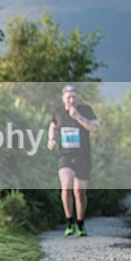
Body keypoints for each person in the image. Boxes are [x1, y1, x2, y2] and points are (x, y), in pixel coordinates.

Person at [47, 85, 100, 237]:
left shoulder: (86, 110)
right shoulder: (58, 112)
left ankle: (80, 222)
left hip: (83, 157)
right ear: (63, 98)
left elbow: (96, 128)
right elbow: (52, 126)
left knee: (80, 193)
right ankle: (69, 221)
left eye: (74, 96)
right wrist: (51, 139)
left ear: (78, 98)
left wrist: (78, 117)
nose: (71, 99)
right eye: (68, 96)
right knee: (66, 188)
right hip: (65, 156)